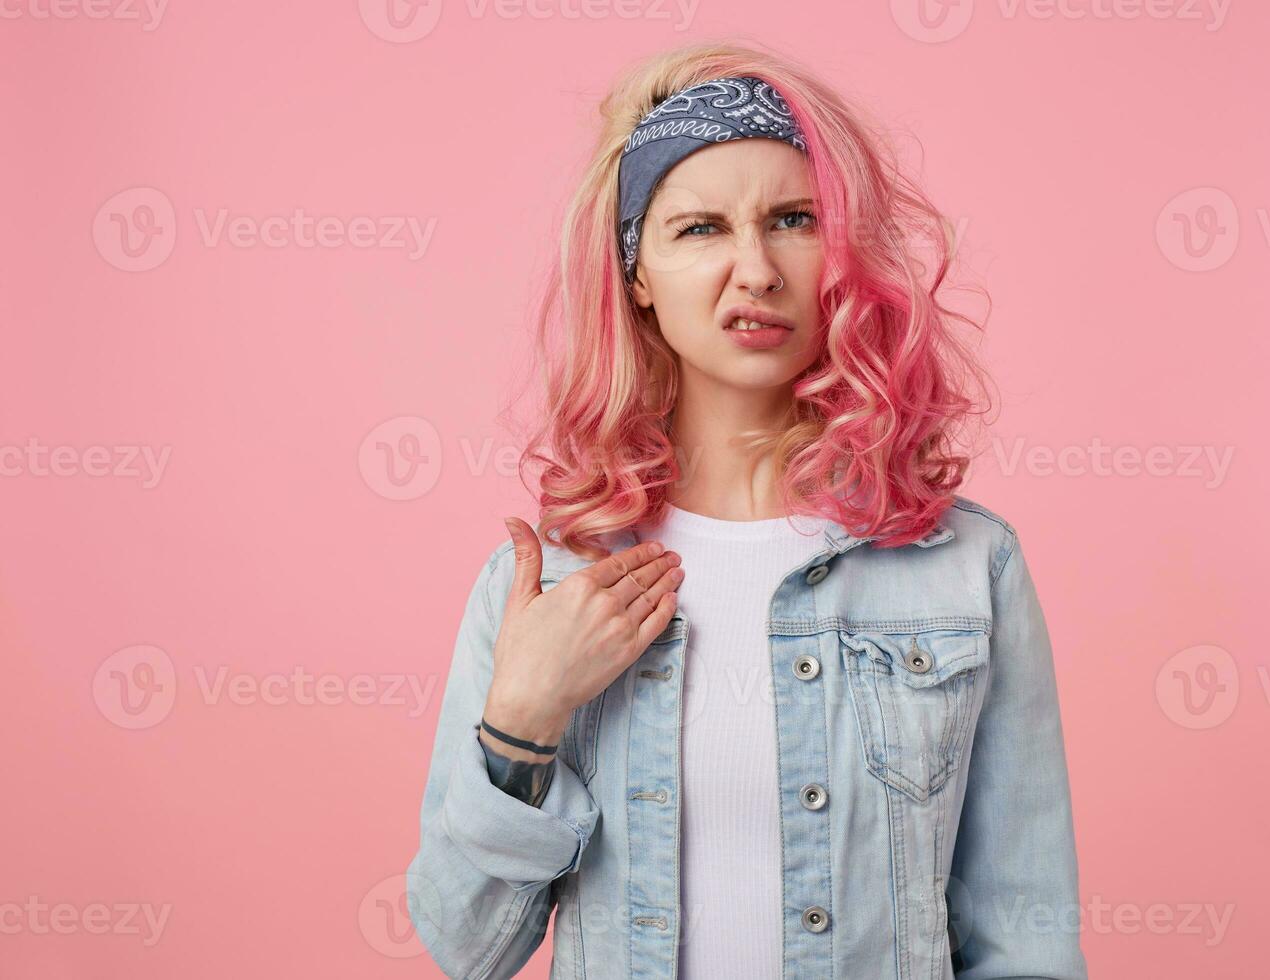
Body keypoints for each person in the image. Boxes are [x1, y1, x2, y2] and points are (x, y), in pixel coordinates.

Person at [406, 40, 1087, 980]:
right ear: (638, 277)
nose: (756, 269)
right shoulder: (547, 583)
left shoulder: (965, 566)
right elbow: (467, 946)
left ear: (842, 251)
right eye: (699, 230)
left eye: (793, 219)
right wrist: (524, 717)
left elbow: (1027, 937)